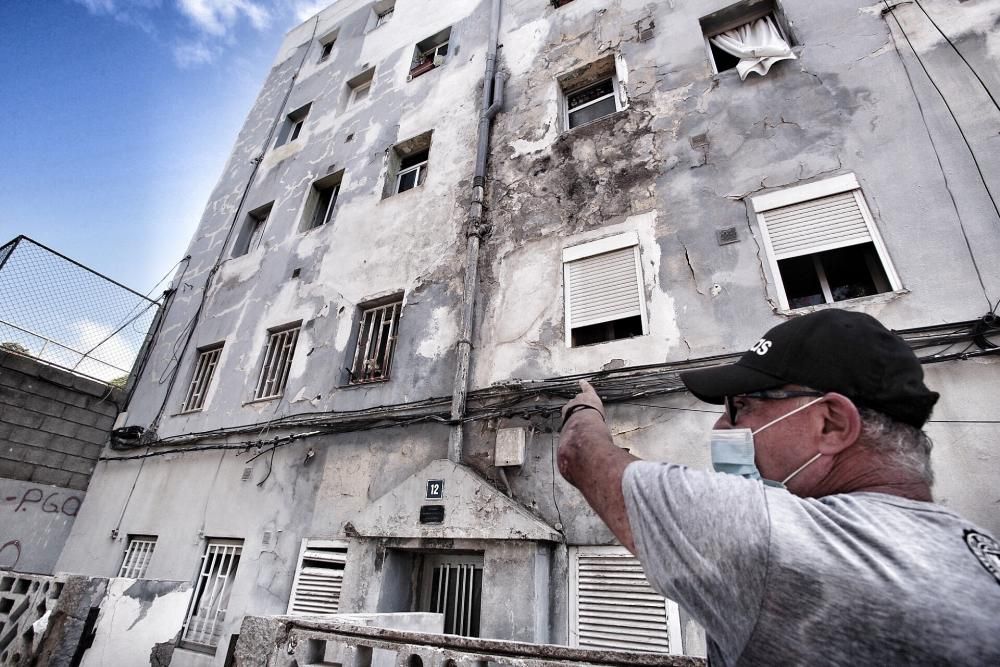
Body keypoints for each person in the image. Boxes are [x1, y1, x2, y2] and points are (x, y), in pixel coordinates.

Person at [558, 309, 1000, 665]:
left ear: (831, 423)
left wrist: (584, 408)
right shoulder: (973, 547)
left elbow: (580, 455)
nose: (721, 424)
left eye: (743, 406)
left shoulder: (779, 537)